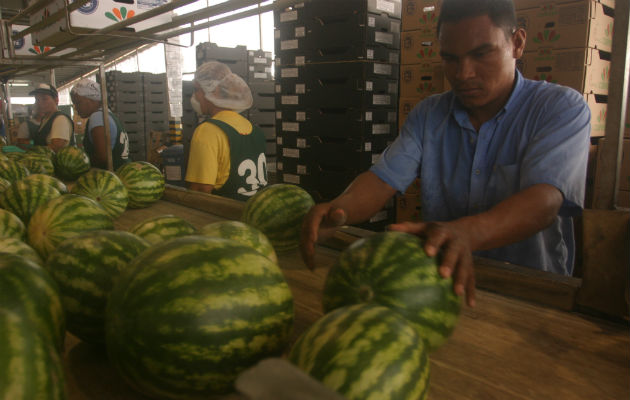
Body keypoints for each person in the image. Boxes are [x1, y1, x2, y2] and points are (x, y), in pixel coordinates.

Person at [300, 0, 591, 307]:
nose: (463, 73)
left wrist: (465, 232)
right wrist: (338, 211)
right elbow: (382, 179)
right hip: (441, 284)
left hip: (530, 293)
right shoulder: (429, 115)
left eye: (481, 54)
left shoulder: (559, 109)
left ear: (517, 43)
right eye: (450, 58)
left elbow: (544, 202)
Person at [185, 61, 268, 201]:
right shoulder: (252, 128)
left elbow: (200, 191)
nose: (194, 97)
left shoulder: (208, 131)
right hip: (257, 212)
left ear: (214, 91)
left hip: (226, 216)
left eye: (197, 90)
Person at [70, 79, 130, 170]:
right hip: (123, 171)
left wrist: (78, 164)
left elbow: (102, 157)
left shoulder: (97, 117)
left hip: (111, 175)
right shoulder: (107, 114)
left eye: (78, 102)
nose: (76, 107)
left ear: (92, 99)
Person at [18, 83, 75, 152]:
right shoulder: (45, 119)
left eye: (44, 99)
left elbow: (56, 147)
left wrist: (32, 151)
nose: (39, 103)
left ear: (56, 100)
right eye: (37, 99)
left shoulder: (60, 119)